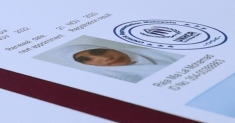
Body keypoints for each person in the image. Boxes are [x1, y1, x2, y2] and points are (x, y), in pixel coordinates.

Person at [37, 38, 183, 83]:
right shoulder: (119, 81)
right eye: (85, 60)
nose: (103, 58)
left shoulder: (160, 51)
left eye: (99, 52)